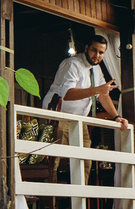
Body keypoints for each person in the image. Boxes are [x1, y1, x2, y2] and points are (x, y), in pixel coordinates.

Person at [42, 35, 129, 184]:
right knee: (53, 162)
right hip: (58, 116)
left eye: (101, 53)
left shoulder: (96, 69)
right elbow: (67, 94)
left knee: (84, 162)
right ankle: (51, 206)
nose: (97, 55)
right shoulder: (72, 64)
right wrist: (96, 90)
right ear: (86, 48)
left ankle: (77, 206)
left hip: (79, 119)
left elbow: (103, 95)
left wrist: (116, 117)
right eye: (94, 50)